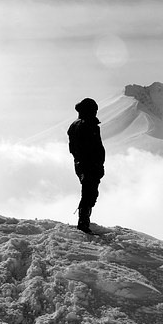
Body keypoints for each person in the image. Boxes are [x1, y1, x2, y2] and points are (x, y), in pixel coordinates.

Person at [67, 98, 105, 234]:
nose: (95, 112)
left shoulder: (75, 125)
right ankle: (83, 223)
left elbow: (73, 148)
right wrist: (96, 164)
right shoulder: (87, 125)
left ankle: (84, 221)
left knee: (89, 192)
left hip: (83, 164)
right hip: (89, 164)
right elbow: (93, 147)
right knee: (89, 193)